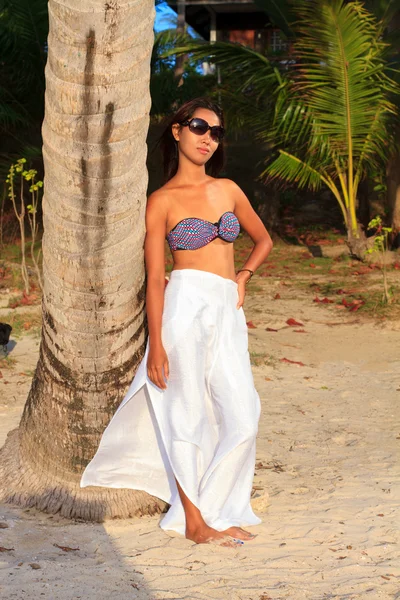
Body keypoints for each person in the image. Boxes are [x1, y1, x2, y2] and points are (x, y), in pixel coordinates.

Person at [81, 97, 273, 547]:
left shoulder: (228, 189)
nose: (208, 138)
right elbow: (153, 280)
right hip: (184, 307)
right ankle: (194, 520)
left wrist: (243, 275)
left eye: (216, 132)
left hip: (227, 309)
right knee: (184, 413)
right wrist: (158, 345)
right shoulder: (162, 201)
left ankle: (217, 506)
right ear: (177, 131)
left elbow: (263, 239)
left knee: (244, 414)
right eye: (200, 127)